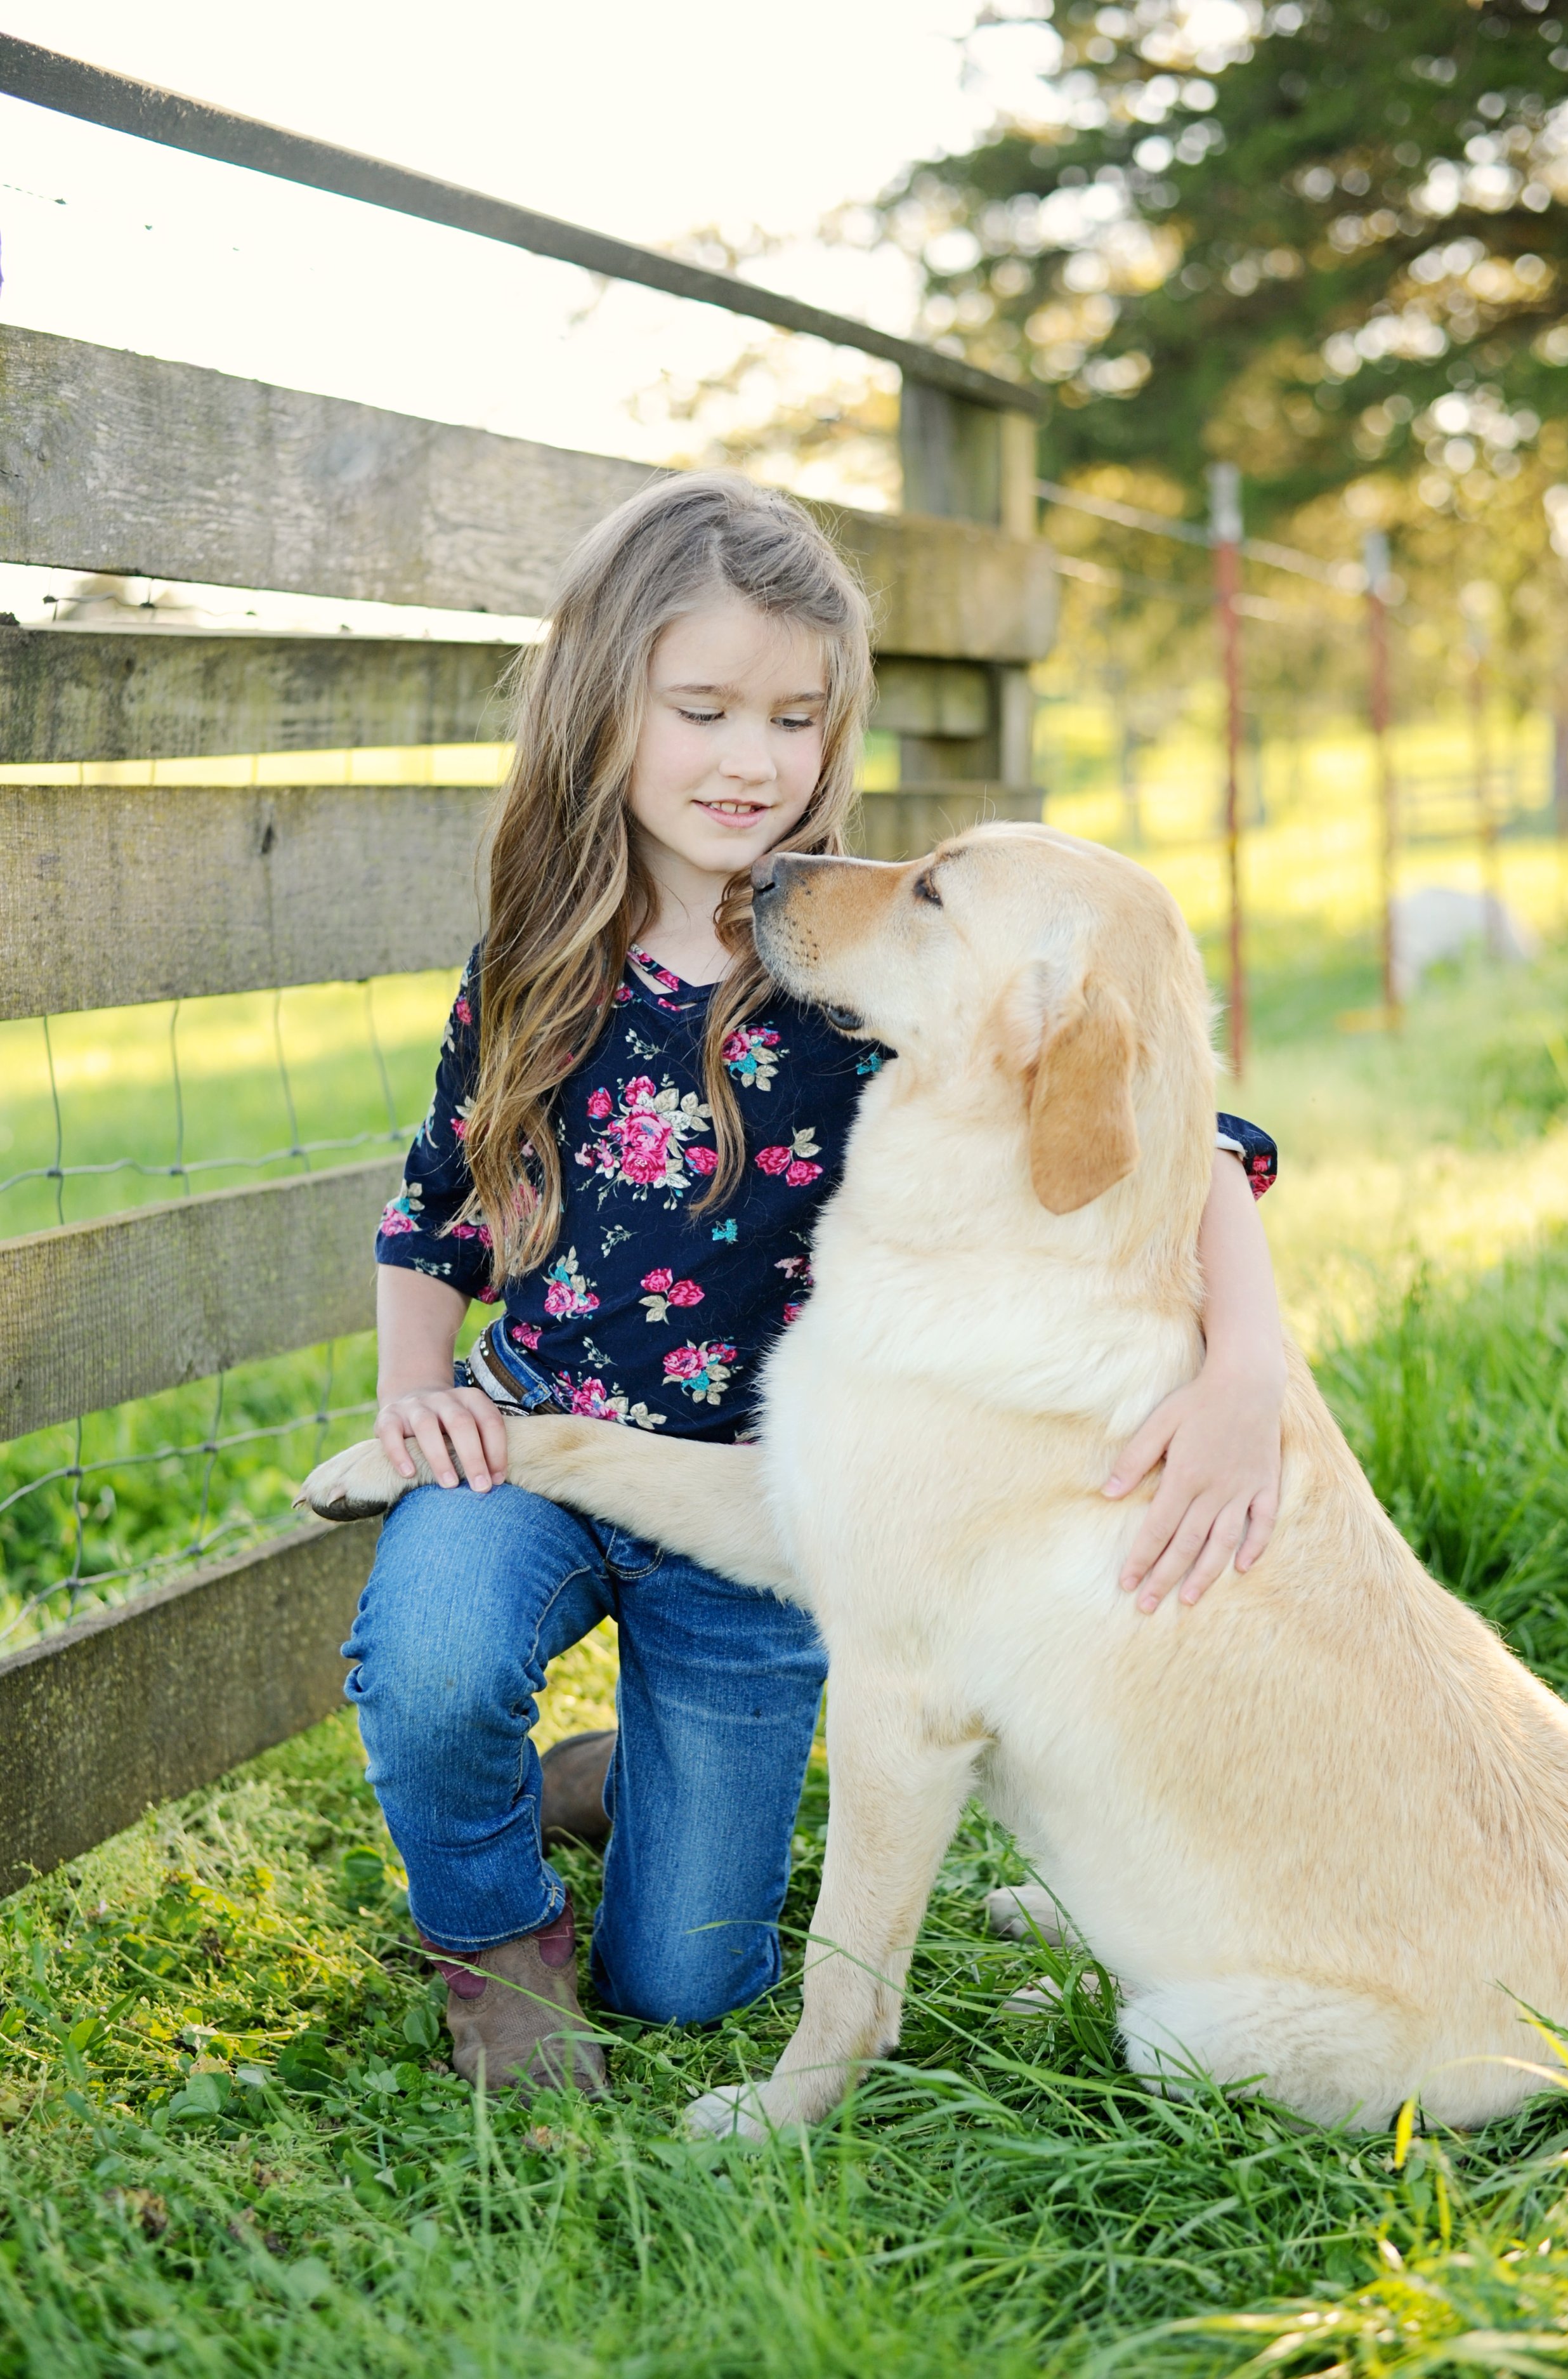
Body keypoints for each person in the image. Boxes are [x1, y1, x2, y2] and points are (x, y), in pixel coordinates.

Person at [341, 472, 1286, 2097]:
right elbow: (440, 1200)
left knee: (691, 1982)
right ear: (600, 702)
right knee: (429, 1657)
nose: (751, 760)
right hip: (538, 1442)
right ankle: (491, 1934)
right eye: (701, 708)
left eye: (793, 717)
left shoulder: (851, 952)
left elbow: (1166, 1128)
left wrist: (1244, 1364)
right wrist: (412, 1384)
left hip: (767, 1523)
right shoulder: (533, 958)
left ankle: (628, 1786)